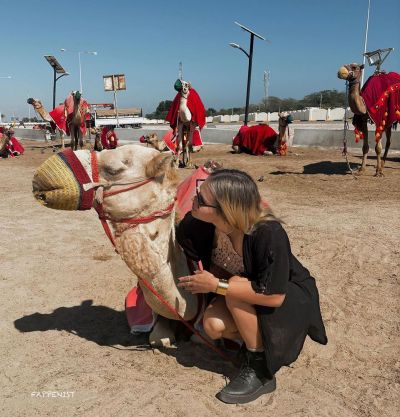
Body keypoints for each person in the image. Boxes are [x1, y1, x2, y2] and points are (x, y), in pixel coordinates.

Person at [176, 169, 327, 404]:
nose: (194, 198)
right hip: (242, 295)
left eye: (201, 199)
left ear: (225, 210)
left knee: (235, 287)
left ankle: (260, 370)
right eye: (198, 190)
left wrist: (216, 285)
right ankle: (253, 343)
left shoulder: (268, 233)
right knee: (213, 325)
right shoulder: (198, 225)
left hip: (284, 297)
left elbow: (274, 295)